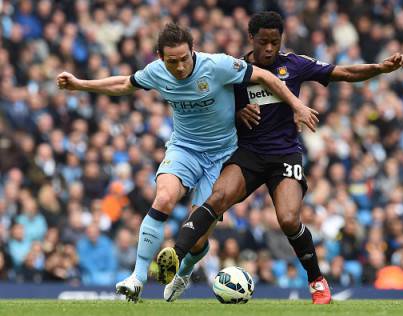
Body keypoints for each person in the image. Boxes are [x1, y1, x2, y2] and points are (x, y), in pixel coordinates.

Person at [56, 22, 318, 302]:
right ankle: (137, 278)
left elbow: (267, 77)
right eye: (172, 61)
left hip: (223, 155)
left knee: (200, 238)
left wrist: (297, 106)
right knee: (165, 198)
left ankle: (183, 274)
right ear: (160, 57)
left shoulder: (218, 65)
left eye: (184, 59)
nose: (180, 67)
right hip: (184, 149)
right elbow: (123, 83)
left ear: (193, 51)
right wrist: (80, 84)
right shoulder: (156, 72)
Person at [156, 11, 403, 304]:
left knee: (288, 220)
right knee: (218, 196)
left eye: (275, 42)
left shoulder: (294, 65)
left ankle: (317, 281)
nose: (270, 49)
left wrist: (379, 68)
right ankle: (175, 255)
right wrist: (237, 114)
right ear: (252, 39)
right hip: (248, 153)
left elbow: (344, 72)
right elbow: (212, 111)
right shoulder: (233, 70)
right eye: (264, 42)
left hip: (285, 155)